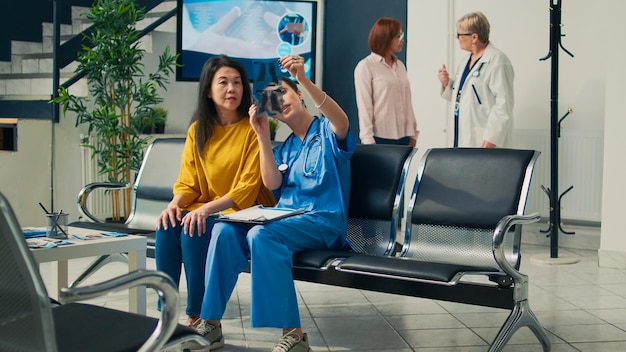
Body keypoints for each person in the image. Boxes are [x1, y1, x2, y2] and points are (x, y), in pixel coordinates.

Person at [193, 54, 356, 352]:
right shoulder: (288, 147)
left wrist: (304, 79)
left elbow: (341, 119)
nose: (281, 101)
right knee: (224, 230)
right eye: (273, 102)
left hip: (323, 221)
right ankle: (211, 323)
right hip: (286, 221)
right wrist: (262, 137)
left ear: (299, 95)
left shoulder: (328, 132)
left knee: (261, 234)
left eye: (284, 92)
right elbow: (271, 184)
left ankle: (294, 335)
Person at [154, 55, 275, 328]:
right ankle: (167, 312)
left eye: (237, 83)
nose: (231, 89)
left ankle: (198, 316)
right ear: (208, 90)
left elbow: (247, 188)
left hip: (245, 214)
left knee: (194, 225)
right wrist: (174, 204)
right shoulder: (198, 130)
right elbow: (188, 182)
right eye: (223, 82)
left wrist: (204, 208)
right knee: (167, 224)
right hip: (209, 211)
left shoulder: (252, 128)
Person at [437, 11, 514, 148]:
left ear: (474, 37)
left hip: (484, 139)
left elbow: (504, 104)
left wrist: (492, 139)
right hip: (461, 135)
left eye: (460, 34)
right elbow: (466, 96)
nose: (457, 37)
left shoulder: (497, 61)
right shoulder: (465, 61)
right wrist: (448, 84)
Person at [354, 17, 419, 146]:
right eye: (398, 36)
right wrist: (368, 140)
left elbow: (407, 101)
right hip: (379, 139)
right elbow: (364, 106)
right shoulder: (366, 66)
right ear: (385, 38)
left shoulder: (400, 65)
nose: (402, 40)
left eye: (402, 35)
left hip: (405, 137)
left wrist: (413, 134)